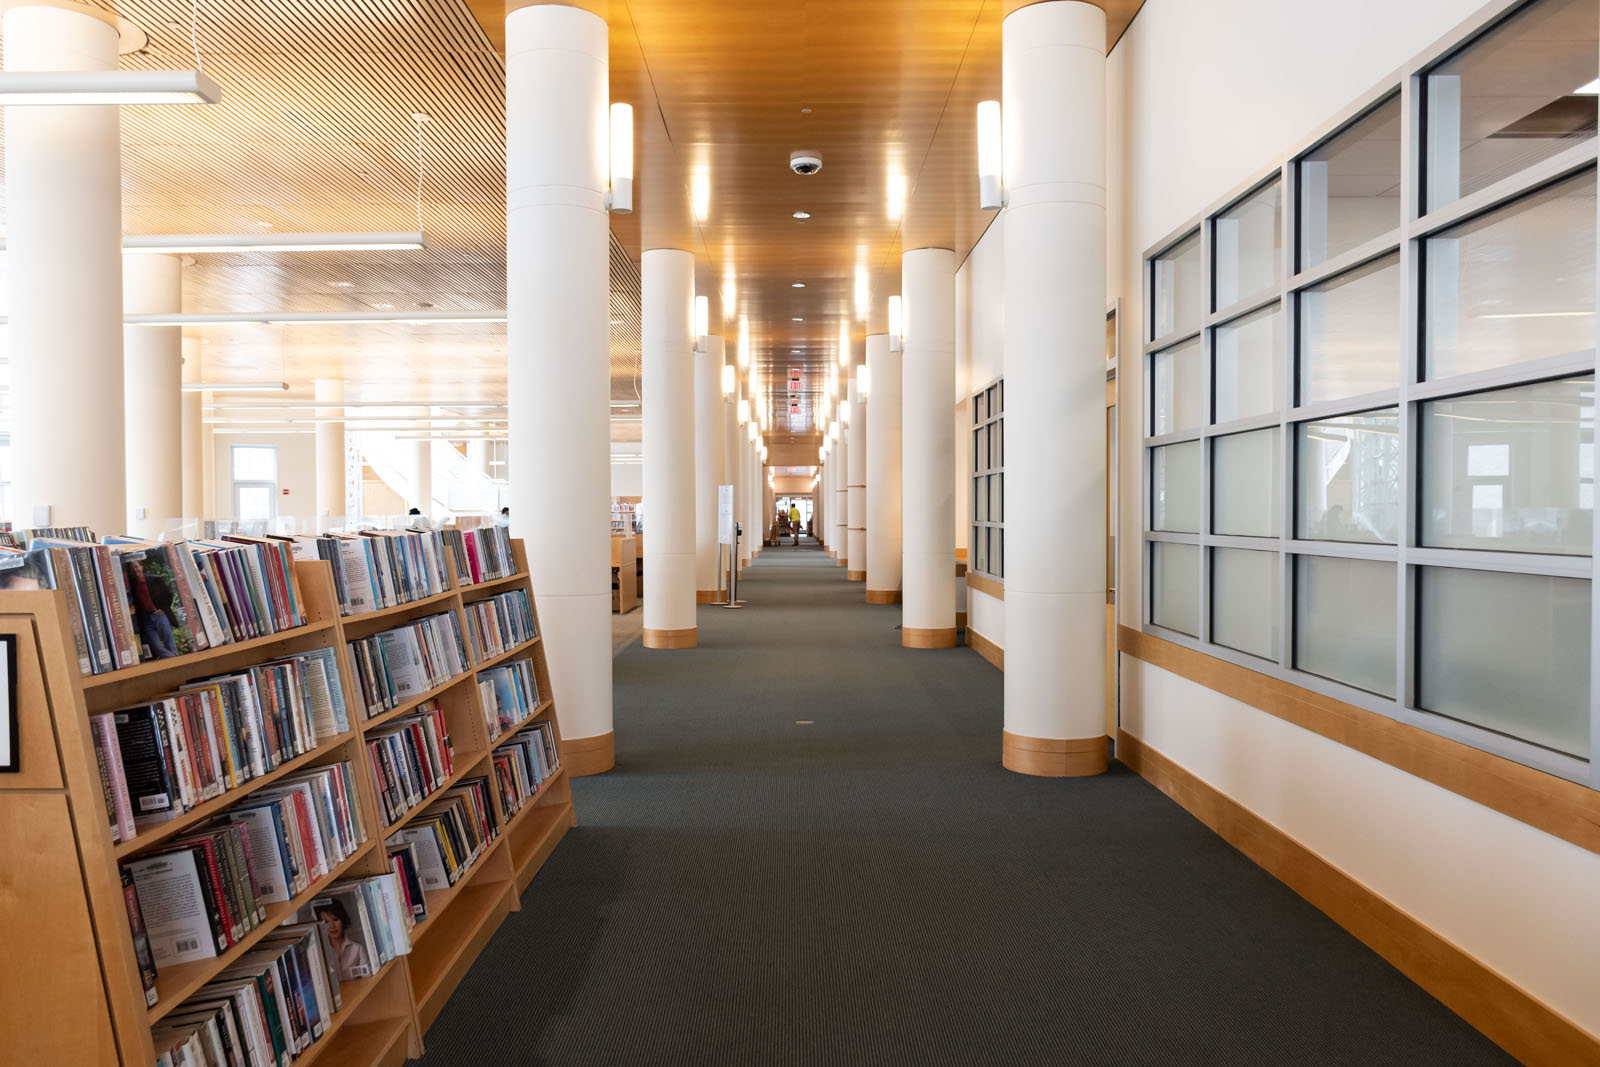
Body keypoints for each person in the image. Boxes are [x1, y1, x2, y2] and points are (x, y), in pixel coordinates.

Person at [314, 897, 372, 980]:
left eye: (335, 919)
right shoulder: (319, 953)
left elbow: (368, 980)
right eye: (326, 922)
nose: (332, 926)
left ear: (343, 920)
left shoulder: (357, 949)